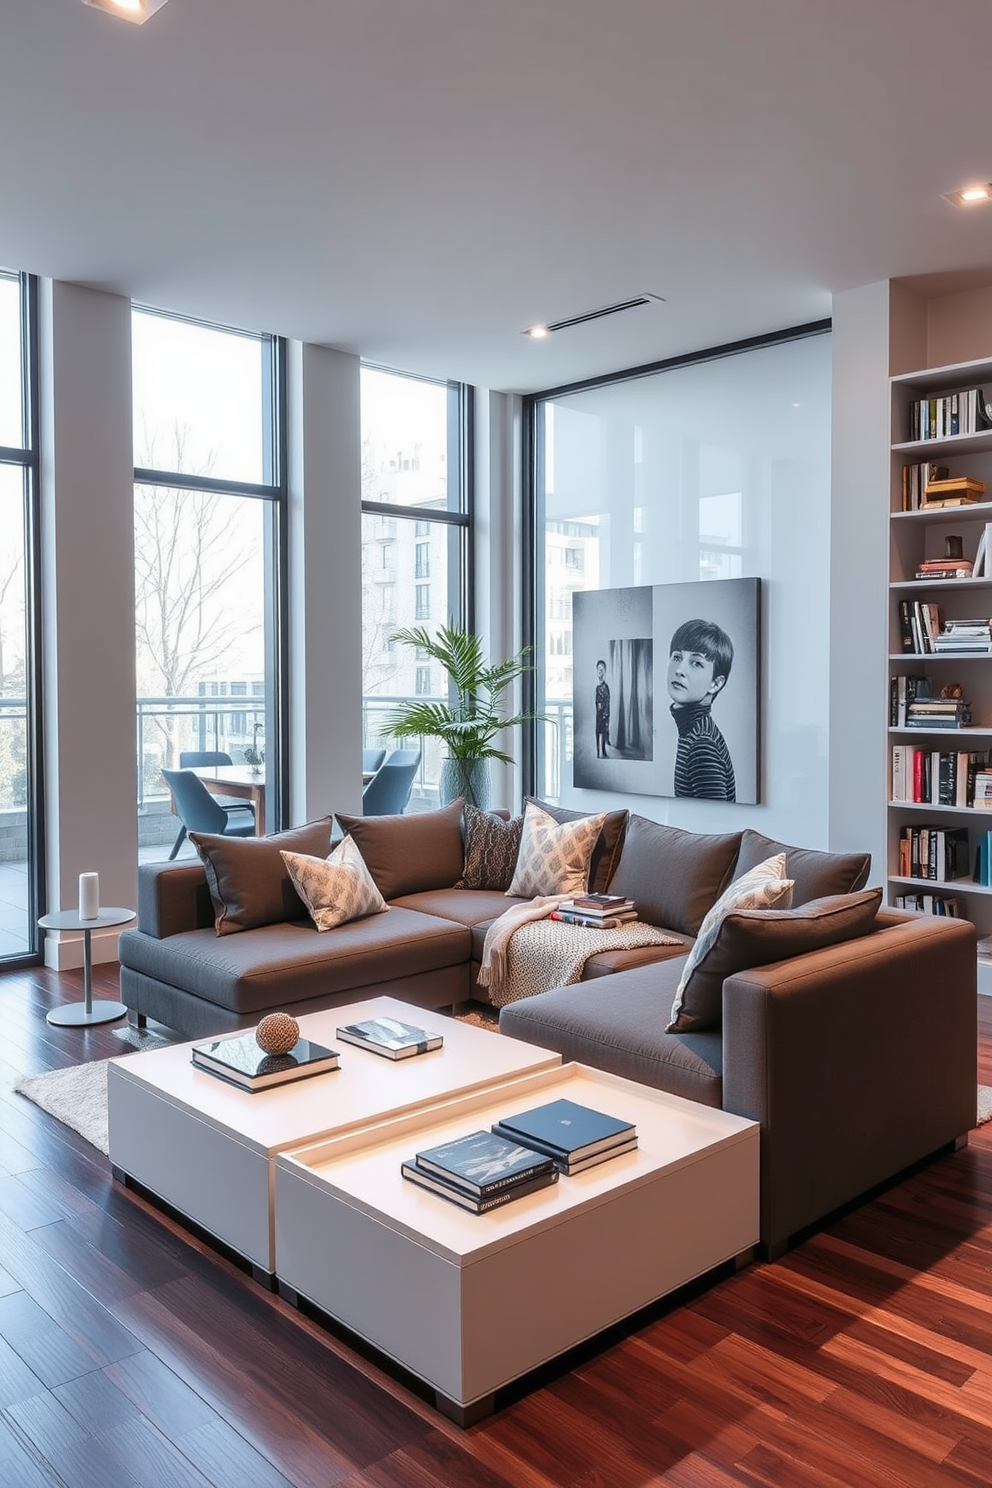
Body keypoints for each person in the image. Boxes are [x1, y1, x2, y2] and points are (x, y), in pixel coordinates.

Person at [667, 619, 736, 800]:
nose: (680, 670)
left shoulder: (702, 744)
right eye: (677, 657)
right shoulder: (693, 733)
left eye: (696, 663)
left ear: (715, 683)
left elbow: (713, 824)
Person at [594, 659, 610, 757]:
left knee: (603, 732)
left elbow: (607, 702)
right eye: (599, 669)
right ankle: (598, 752)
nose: (600, 671)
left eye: (602, 669)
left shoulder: (606, 687)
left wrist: (605, 714)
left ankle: (603, 751)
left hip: (604, 714)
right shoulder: (596, 686)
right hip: (598, 714)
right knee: (597, 732)